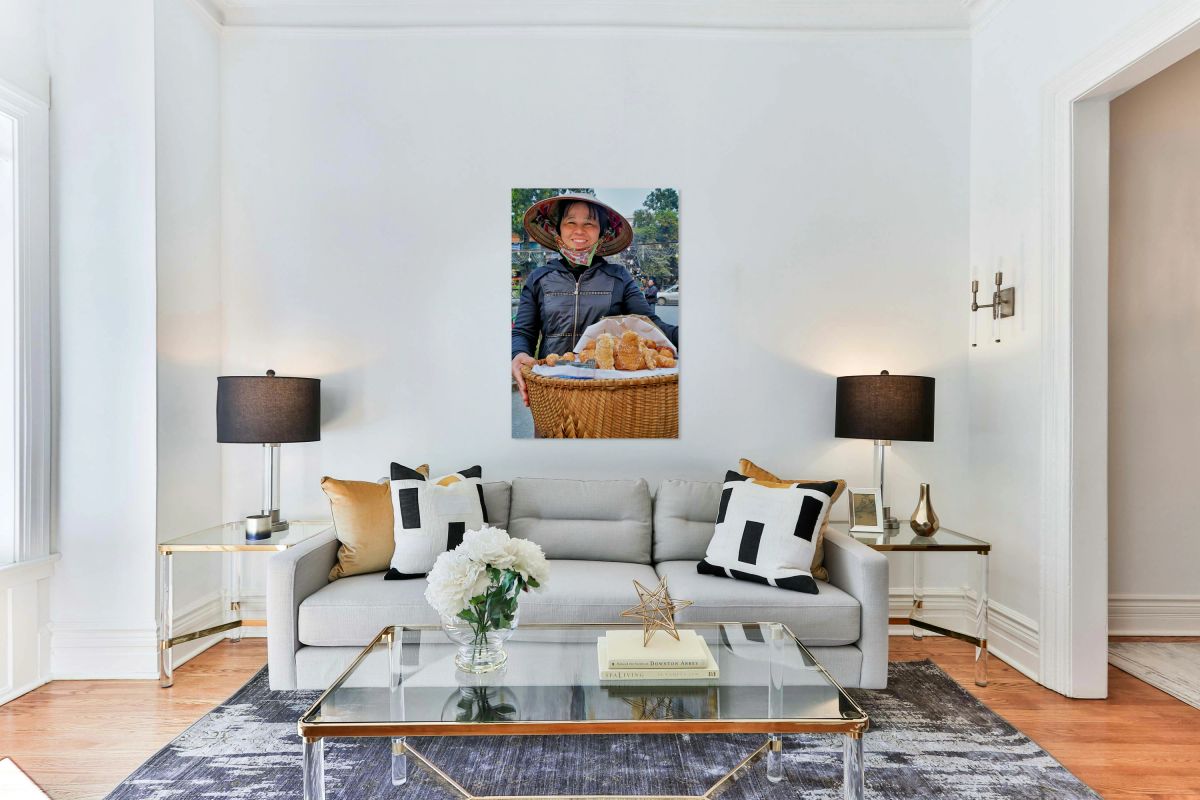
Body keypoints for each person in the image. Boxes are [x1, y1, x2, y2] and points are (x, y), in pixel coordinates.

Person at [511, 194, 679, 406]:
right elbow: (523, 332)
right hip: (552, 387)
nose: (579, 231)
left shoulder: (619, 277)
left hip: (605, 394)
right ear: (558, 229)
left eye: (589, 224)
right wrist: (518, 354)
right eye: (570, 222)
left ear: (603, 232)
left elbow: (650, 325)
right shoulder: (539, 278)